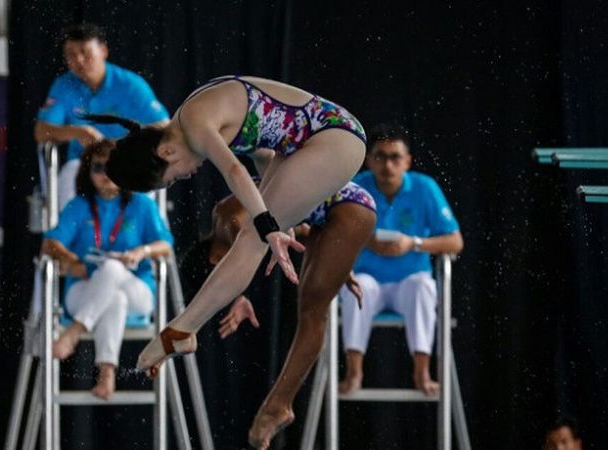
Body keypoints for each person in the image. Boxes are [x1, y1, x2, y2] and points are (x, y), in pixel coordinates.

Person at [87, 76, 368, 382]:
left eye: (174, 177)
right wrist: (278, 217)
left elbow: (234, 170)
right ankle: (183, 329)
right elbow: (262, 152)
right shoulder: (188, 120)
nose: (187, 176)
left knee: (252, 236)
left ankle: (181, 330)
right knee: (255, 231)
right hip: (314, 139)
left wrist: (268, 223)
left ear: (165, 152)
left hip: (336, 136)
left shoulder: (194, 125)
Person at [192, 179, 376, 449]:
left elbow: (235, 271)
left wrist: (239, 297)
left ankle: (278, 405)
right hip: (330, 211)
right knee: (310, 305)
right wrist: (337, 259)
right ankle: (278, 405)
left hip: (348, 204)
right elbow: (295, 227)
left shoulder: (228, 220)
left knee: (313, 313)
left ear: (213, 262)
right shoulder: (226, 217)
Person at [338, 124, 464, 396]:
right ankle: (354, 371)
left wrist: (414, 243)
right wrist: (365, 239)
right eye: (380, 156)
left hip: (409, 281)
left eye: (395, 157)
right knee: (356, 286)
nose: (388, 165)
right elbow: (330, 231)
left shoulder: (425, 187)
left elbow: (456, 241)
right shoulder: (356, 187)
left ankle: (421, 372)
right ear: (369, 159)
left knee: (423, 287)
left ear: (407, 161)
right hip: (368, 279)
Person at [41, 141, 174, 399]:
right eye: (99, 168)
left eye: (112, 167)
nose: (106, 175)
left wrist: (141, 252)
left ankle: (74, 332)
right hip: (86, 288)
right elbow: (50, 243)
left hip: (138, 289)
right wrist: (70, 260)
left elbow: (166, 246)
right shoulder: (79, 206)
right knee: (115, 298)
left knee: (113, 270)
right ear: (88, 173)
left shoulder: (142, 205)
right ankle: (107, 372)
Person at [34, 22, 169, 209]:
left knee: (145, 187)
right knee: (67, 193)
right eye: (71, 55)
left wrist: (127, 141)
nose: (79, 60)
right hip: (83, 164)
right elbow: (41, 131)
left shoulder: (131, 86)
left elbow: (164, 124)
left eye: (85, 53)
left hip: (127, 160)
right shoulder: (63, 86)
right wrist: (76, 132)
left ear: (103, 51)